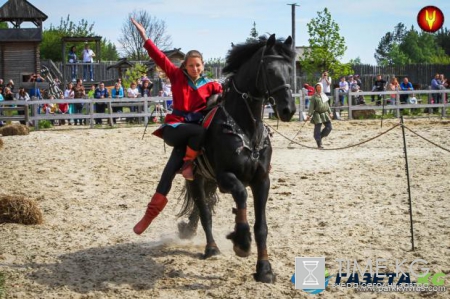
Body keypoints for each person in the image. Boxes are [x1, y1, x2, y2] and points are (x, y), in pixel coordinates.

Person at [130, 18, 222, 235]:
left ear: (203, 65)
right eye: (191, 65)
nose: (195, 68)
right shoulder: (176, 76)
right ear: (185, 66)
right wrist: (145, 36)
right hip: (175, 128)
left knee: (169, 172)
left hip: (192, 140)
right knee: (198, 131)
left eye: (198, 65)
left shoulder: (211, 84)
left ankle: (148, 216)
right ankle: (189, 164)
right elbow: (159, 57)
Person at [305, 83, 333, 149]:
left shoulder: (324, 95)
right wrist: (309, 115)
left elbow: (327, 105)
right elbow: (311, 107)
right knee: (317, 129)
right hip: (317, 114)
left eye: (320, 87)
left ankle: (319, 137)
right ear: (315, 88)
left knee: (329, 127)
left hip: (325, 114)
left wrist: (330, 112)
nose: (318, 88)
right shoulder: (314, 97)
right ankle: (319, 143)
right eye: (317, 87)